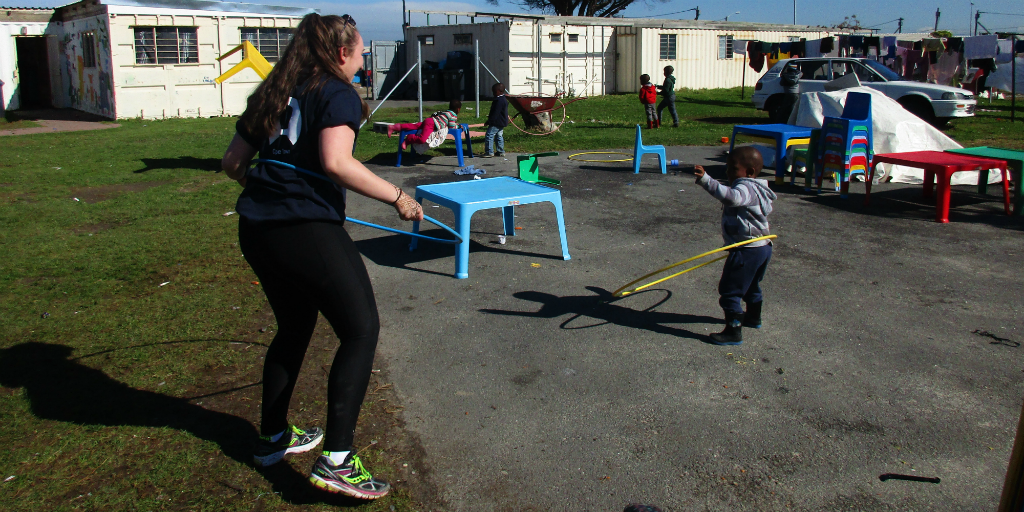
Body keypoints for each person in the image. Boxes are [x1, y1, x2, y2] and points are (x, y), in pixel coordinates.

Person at [220, 13, 422, 500]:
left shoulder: (275, 89)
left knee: (293, 327)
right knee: (360, 328)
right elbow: (337, 162)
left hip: (257, 230)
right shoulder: (336, 92)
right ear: (340, 53)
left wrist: (270, 193)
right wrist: (398, 197)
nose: (361, 61)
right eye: (358, 53)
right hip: (303, 230)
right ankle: (337, 461)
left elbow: (232, 163)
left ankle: (273, 438)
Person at [692, 146, 776, 346]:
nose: (728, 172)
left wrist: (706, 180)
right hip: (762, 248)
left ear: (749, 172)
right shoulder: (756, 187)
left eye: (733, 168)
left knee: (730, 290)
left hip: (746, 250)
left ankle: (733, 331)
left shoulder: (744, 187)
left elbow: (731, 197)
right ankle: (754, 318)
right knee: (751, 286)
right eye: (728, 167)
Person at [386, 99, 461, 150]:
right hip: (431, 125)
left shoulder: (446, 112)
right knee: (422, 139)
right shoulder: (453, 115)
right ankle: (409, 139)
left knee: (412, 126)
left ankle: (394, 127)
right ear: (458, 109)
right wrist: (458, 126)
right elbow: (452, 126)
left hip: (429, 120)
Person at [483, 82, 509, 157]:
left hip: (496, 122)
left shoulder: (498, 101)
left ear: (500, 91)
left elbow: (495, 113)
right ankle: (500, 151)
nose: (493, 93)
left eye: (494, 92)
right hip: (502, 121)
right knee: (499, 136)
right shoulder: (504, 99)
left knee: (489, 135)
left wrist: (489, 121)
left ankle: (489, 151)